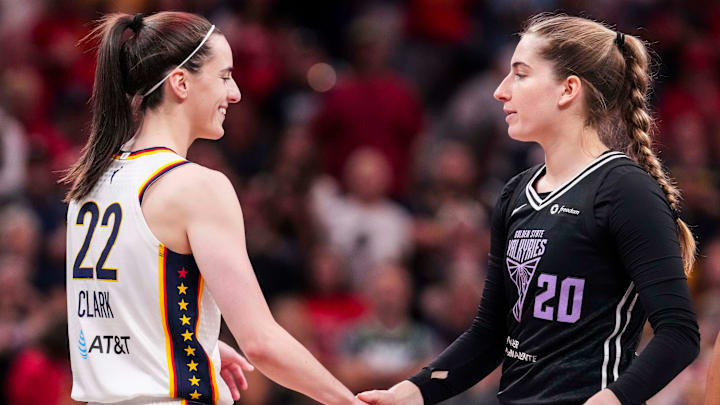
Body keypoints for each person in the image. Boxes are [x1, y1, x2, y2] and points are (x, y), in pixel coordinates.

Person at [358, 13, 700, 405]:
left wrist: (612, 400)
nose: (501, 91)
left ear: (568, 90)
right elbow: (490, 334)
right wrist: (412, 391)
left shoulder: (625, 190)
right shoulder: (515, 193)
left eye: (520, 74)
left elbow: (679, 334)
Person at [61, 11, 366, 405]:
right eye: (224, 76)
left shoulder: (89, 181)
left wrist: (198, 341)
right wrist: (347, 401)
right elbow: (260, 342)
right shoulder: (198, 187)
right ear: (181, 83)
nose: (235, 93)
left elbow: (105, 322)